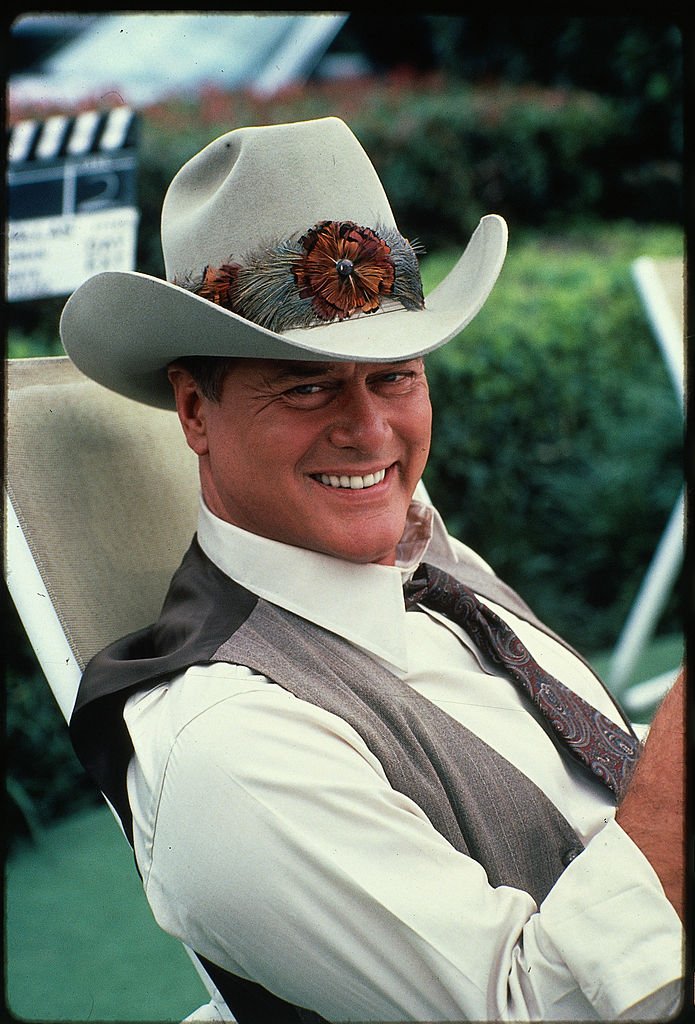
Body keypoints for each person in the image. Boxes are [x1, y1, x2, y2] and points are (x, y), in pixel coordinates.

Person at [60, 116, 684, 1022]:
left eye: (394, 374)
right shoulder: (231, 747)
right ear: (194, 413)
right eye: (307, 385)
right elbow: (517, 1008)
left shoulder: (435, 559)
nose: (370, 432)